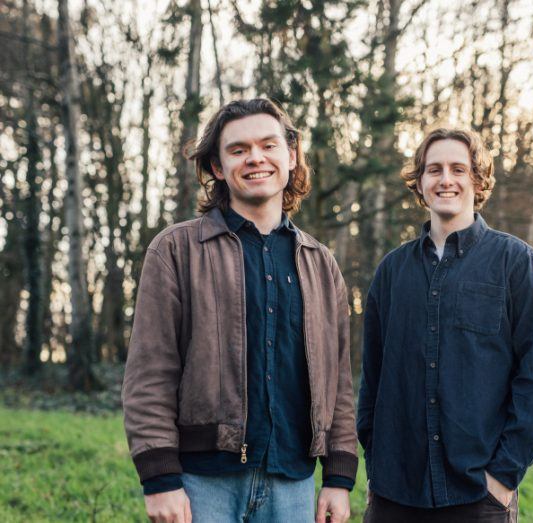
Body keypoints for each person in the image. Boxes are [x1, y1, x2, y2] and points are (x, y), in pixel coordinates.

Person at [122, 98, 357, 523]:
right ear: (217, 167)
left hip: (294, 483)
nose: (255, 158)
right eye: (238, 149)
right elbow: (150, 373)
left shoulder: (320, 263)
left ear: (291, 155)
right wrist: (160, 480)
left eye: (268, 145)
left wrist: (339, 478)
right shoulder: (175, 250)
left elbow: (337, 383)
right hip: (200, 486)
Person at [357, 128, 533, 522]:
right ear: (420, 183)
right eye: (434, 170)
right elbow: (373, 380)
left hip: (478, 497)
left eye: (458, 169)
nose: (445, 179)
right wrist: (376, 458)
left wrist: (501, 477)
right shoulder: (392, 271)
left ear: (477, 180)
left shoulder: (517, 264)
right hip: (394, 495)